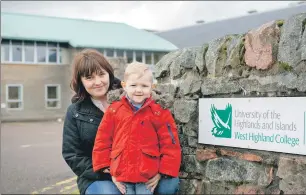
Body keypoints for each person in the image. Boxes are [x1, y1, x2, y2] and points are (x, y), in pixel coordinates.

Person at [62, 49, 180, 195]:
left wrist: (160, 171)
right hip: (98, 175)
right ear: (80, 80)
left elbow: (166, 135)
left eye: (101, 74)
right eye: (89, 77)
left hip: (144, 168)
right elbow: (72, 155)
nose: (97, 82)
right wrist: (109, 171)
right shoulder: (75, 111)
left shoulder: (134, 93)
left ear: (109, 74)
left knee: (168, 185)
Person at [92, 62, 182, 194]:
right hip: (122, 172)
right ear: (124, 85)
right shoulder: (114, 110)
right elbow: (103, 138)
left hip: (147, 173)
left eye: (144, 86)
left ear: (152, 87)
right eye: (133, 85)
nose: (138, 90)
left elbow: (170, 143)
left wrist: (162, 172)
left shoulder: (159, 112)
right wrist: (104, 165)